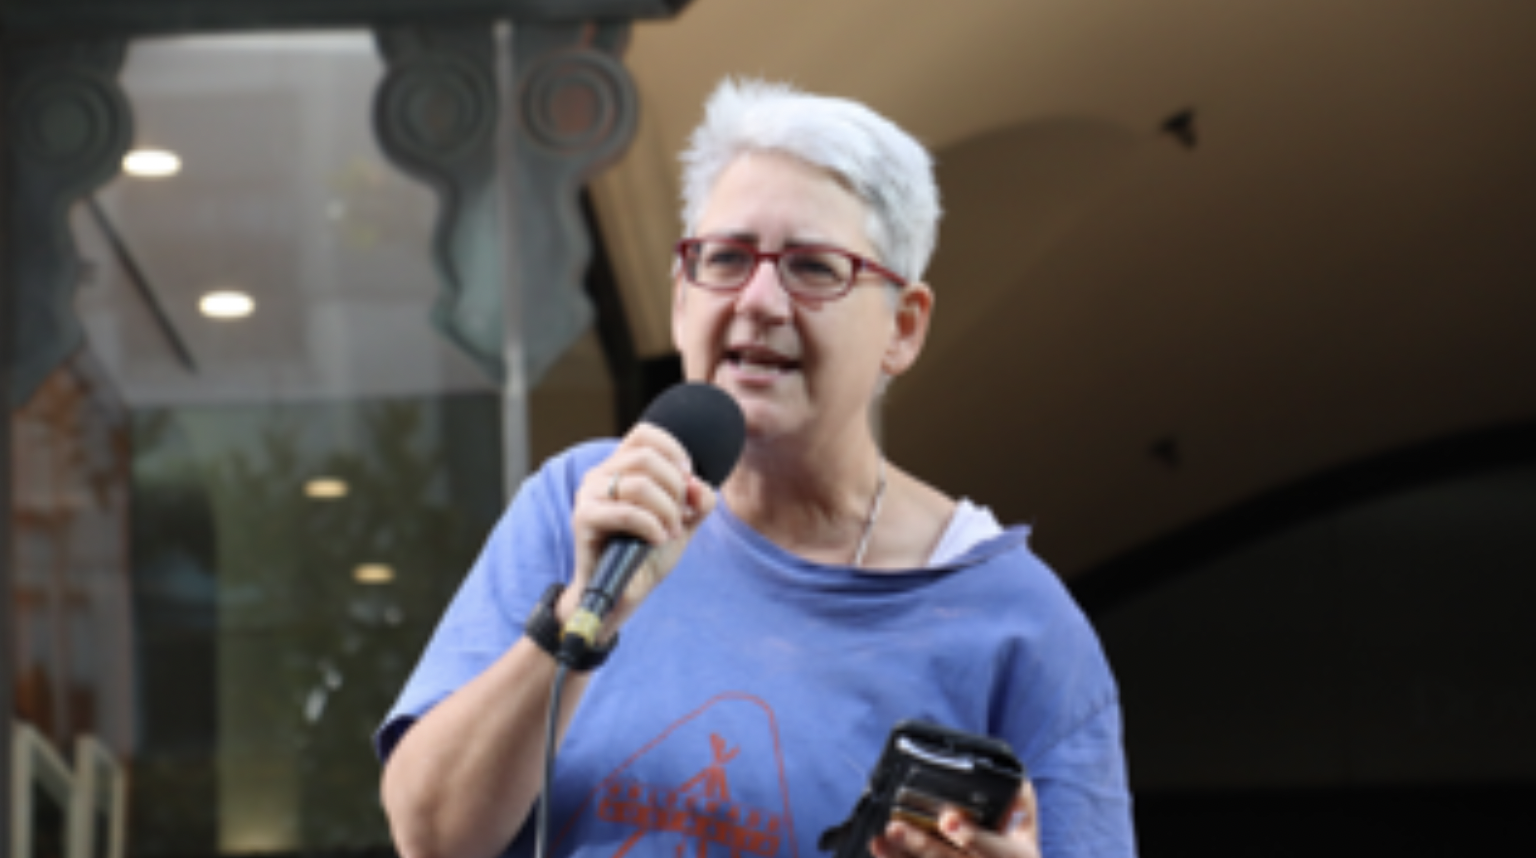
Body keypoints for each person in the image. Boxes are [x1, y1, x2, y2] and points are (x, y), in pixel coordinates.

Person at [377, 79, 1135, 858]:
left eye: (813, 268)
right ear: (681, 300)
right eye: (728, 258)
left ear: (902, 329)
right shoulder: (584, 502)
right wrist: (578, 613)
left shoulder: (1018, 623)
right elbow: (429, 836)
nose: (760, 299)